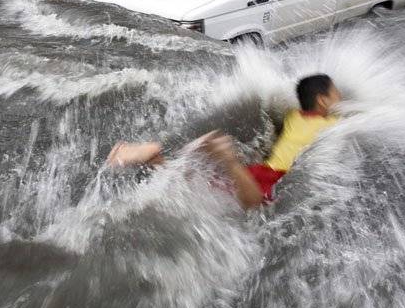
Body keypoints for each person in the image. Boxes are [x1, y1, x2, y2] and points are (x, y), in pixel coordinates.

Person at [107, 74, 341, 208]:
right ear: (322, 101)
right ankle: (228, 161)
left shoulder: (293, 116)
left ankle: (154, 158)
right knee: (255, 206)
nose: (340, 97)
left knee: (197, 188)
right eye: (336, 94)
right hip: (277, 176)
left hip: (261, 170)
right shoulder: (332, 125)